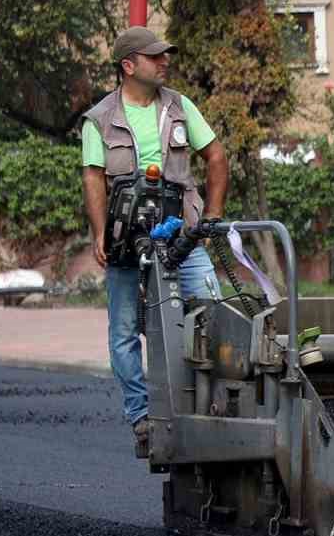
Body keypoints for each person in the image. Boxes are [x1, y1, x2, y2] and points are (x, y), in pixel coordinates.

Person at [81, 26, 228, 454]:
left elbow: (216, 156)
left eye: (165, 55)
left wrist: (212, 216)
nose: (165, 62)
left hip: (182, 231)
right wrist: (99, 233)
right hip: (127, 236)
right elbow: (93, 177)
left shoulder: (181, 107)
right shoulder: (99, 119)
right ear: (129, 66)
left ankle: (214, 402)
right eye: (154, 56)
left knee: (211, 310)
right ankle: (142, 417)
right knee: (125, 328)